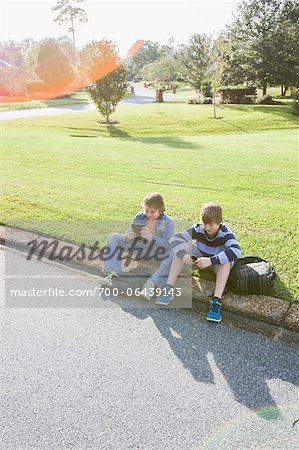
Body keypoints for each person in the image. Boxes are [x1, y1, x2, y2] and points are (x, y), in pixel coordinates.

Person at [155, 202, 241, 322]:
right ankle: (169, 288)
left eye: (211, 224)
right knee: (182, 246)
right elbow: (175, 239)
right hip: (199, 260)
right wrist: (184, 256)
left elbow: (236, 251)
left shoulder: (225, 231)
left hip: (216, 264)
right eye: (205, 223)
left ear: (219, 222)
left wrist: (211, 260)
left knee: (226, 261)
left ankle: (216, 301)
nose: (207, 227)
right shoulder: (198, 228)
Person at [102, 192, 174, 300]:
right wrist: (128, 237)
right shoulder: (139, 217)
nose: (148, 214)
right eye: (146, 211)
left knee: (174, 252)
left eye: (152, 212)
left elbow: (168, 245)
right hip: (138, 247)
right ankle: (112, 275)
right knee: (113, 237)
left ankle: (151, 284)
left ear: (160, 209)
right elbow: (127, 238)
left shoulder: (168, 222)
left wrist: (152, 237)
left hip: (156, 250)